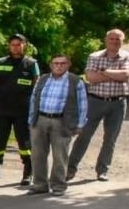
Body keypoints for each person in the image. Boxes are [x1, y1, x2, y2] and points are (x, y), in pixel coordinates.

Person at [67, 28, 129, 182]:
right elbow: (91, 77)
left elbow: (126, 75)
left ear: (122, 41)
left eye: (118, 39)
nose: (114, 41)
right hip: (94, 101)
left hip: (117, 103)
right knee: (84, 135)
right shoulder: (95, 56)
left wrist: (104, 71)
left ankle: (102, 170)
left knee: (110, 139)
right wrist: (115, 74)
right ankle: (70, 168)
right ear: (106, 40)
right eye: (111, 38)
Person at [0, 33, 40, 185]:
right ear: (9, 46)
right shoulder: (0, 62)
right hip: (2, 110)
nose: (15, 47)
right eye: (13, 44)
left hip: (23, 110)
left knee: (25, 143)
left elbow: (37, 86)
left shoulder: (31, 63)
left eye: (19, 44)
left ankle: (28, 172)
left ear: (24, 45)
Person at [28, 55, 89, 195]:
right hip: (40, 120)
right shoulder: (43, 79)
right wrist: (31, 120)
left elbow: (83, 104)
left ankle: (58, 186)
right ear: (51, 65)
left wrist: (80, 125)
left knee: (60, 155)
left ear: (68, 65)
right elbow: (33, 99)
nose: (59, 66)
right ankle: (39, 185)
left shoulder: (75, 81)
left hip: (63, 122)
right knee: (37, 154)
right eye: (56, 63)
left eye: (63, 63)